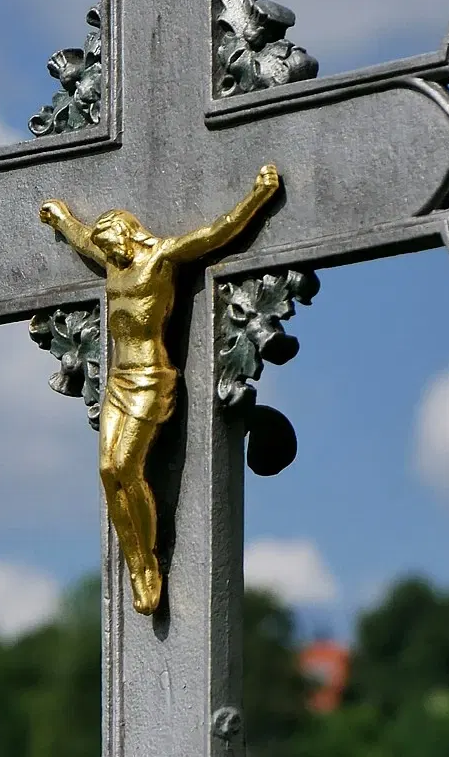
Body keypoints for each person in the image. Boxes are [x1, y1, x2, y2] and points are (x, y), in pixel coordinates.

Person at [40, 165, 280, 613]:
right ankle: (135, 561)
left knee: (127, 468)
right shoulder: (111, 257)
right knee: (108, 472)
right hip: (117, 379)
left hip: (151, 378)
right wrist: (60, 219)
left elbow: (218, 232)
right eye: (106, 250)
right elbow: (83, 239)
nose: (109, 255)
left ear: (129, 236)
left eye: (113, 247)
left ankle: (148, 563)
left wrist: (259, 196)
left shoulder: (162, 258)